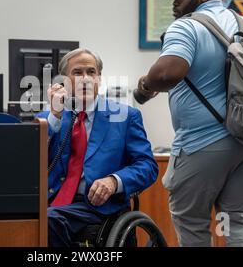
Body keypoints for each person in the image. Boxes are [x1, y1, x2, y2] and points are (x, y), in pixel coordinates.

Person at [136, 0, 243, 247]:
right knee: (242, 219)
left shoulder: (187, 26)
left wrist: (144, 87)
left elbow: (167, 73)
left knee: (191, 221)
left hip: (203, 143)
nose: (174, 2)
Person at [38, 48, 158, 247]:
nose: (85, 79)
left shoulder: (126, 116)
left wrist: (114, 181)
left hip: (98, 206)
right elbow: (33, 162)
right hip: (54, 200)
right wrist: (55, 116)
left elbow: (148, 166)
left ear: (99, 78)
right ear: (64, 81)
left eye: (91, 72)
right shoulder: (49, 119)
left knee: (50, 220)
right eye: (77, 73)